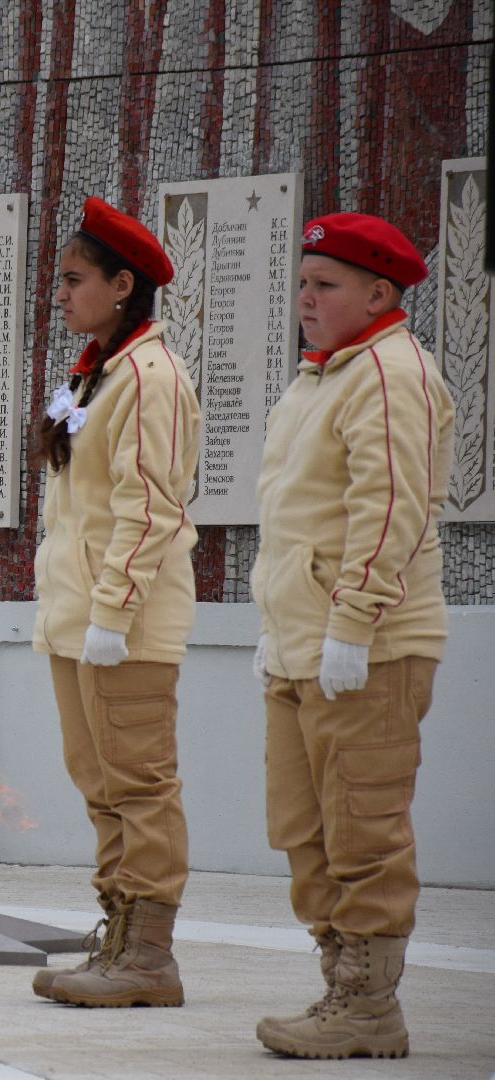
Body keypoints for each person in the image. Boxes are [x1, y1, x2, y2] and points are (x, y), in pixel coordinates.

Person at [252, 214, 452, 1060]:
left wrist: (352, 624)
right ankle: (341, 984)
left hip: (366, 644)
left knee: (363, 826)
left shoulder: (388, 373)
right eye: (301, 282)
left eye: (324, 284)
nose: (305, 298)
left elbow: (392, 505)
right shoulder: (322, 377)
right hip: (304, 640)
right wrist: (284, 629)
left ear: (379, 293)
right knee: (307, 828)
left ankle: (370, 1006)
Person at [29, 197, 200, 1008]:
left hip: (122, 626)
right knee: (99, 783)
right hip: (78, 619)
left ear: (122, 284)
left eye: (72, 280)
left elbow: (151, 507)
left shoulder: (149, 377)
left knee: (139, 784)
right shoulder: (94, 369)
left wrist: (113, 614)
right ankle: (119, 934)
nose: (58, 295)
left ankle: (149, 957)